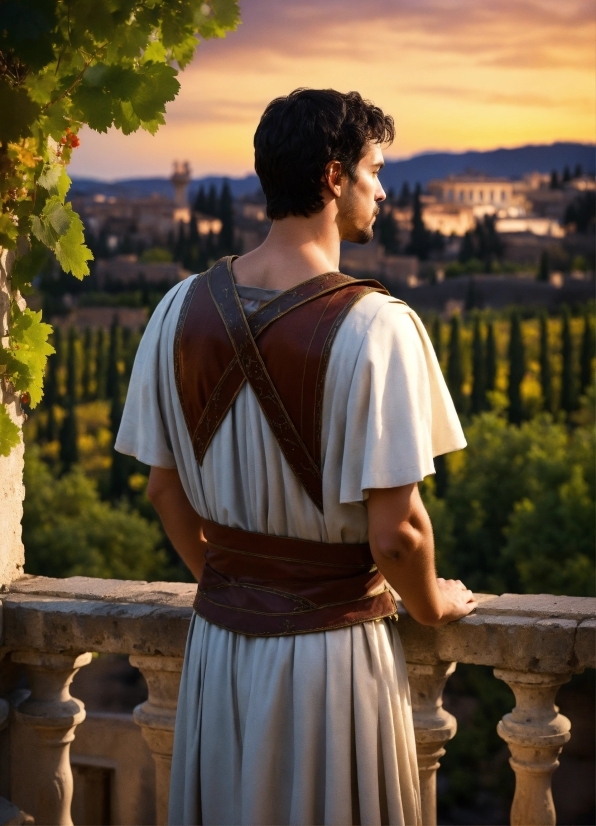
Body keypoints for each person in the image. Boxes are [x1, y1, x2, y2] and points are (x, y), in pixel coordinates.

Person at [116, 88, 477, 826]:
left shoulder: (176, 307)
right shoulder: (380, 327)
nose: (383, 189)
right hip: (331, 659)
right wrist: (435, 604)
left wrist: (243, 581)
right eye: (376, 170)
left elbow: (163, 490)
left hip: (219, 648)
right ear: (334, 177)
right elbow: (398, 533)